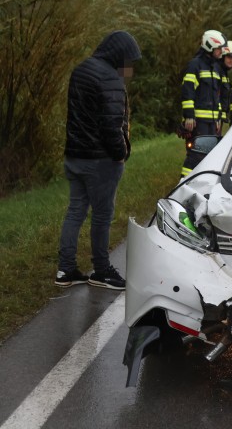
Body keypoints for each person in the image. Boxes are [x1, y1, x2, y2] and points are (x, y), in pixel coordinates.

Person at [55, 31, 141, 290]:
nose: (129, 68)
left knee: (75, 212)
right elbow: (111, 125)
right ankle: (102, 271)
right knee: (102, 217)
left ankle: (65, 270)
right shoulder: (110, 78)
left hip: (75, 156)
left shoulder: (81, 70)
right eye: (129, 61)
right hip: (101, 161)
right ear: (119, 56)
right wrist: (121, 153)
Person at [180, 30, 227, 176]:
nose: (221, 52)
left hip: (212, 123)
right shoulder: (195, 65)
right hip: (198, 121)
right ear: (210, 47)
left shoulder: (216, 68)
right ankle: (183, 184)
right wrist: (189, 116)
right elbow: (187, 91)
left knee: (210, 155)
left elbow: (216, 97)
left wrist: (218, 118)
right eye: (219, 49)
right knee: (195, 155)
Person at [217, 40, 232, 128]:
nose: (231, 60)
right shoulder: (217, 71)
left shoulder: (223, 73)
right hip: (213, 118)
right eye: (229, 57)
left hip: (218, 118)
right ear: (222, 56)